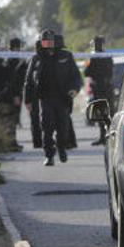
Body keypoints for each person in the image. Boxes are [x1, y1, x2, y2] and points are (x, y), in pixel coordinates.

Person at [24, 29, 82, 166]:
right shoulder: (36, 59)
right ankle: (49, 155)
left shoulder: (66, 56)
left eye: (50, 41)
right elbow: (28, 81)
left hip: (63, 98)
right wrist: (27, 100)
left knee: (63, 127)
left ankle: (61, 148)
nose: (48, 44)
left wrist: (74, 89)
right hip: (45, 98)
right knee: (47, 127)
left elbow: (76, 76)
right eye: (45, 42)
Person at [84, 36, 113, 146]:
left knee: (104, 113)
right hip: (103, 88)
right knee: (104, 113)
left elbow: (87, 72)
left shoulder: (95, 57)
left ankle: (106, 136)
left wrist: (89, 63)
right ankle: (104, 136)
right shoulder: (106, 56)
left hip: (101, 88)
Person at [20, 40, 43, 149]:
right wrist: (27, 100)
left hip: (47, 95)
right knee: (35, 119)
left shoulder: (51, 57)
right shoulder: (33, 60)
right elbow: (27, 81)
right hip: (34, 95)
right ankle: (37, 142)